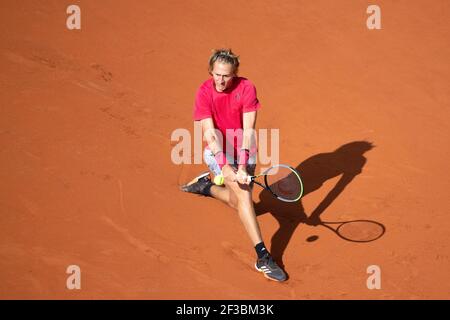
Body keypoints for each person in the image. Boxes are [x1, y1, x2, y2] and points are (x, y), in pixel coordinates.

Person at [181, 49, 287, 282]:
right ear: (211, 72)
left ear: (235, 74)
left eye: (226, 76)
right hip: (217, 152)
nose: (220, 80)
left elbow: (248, 130)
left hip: (244, 150)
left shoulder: (247, 88)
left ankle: (207, 187)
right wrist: (226, 166)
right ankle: (263, 257)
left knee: (238, 200)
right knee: (244, 195)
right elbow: (210, 133)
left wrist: (242, 164)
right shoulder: (204, 92)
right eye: (217, 75)